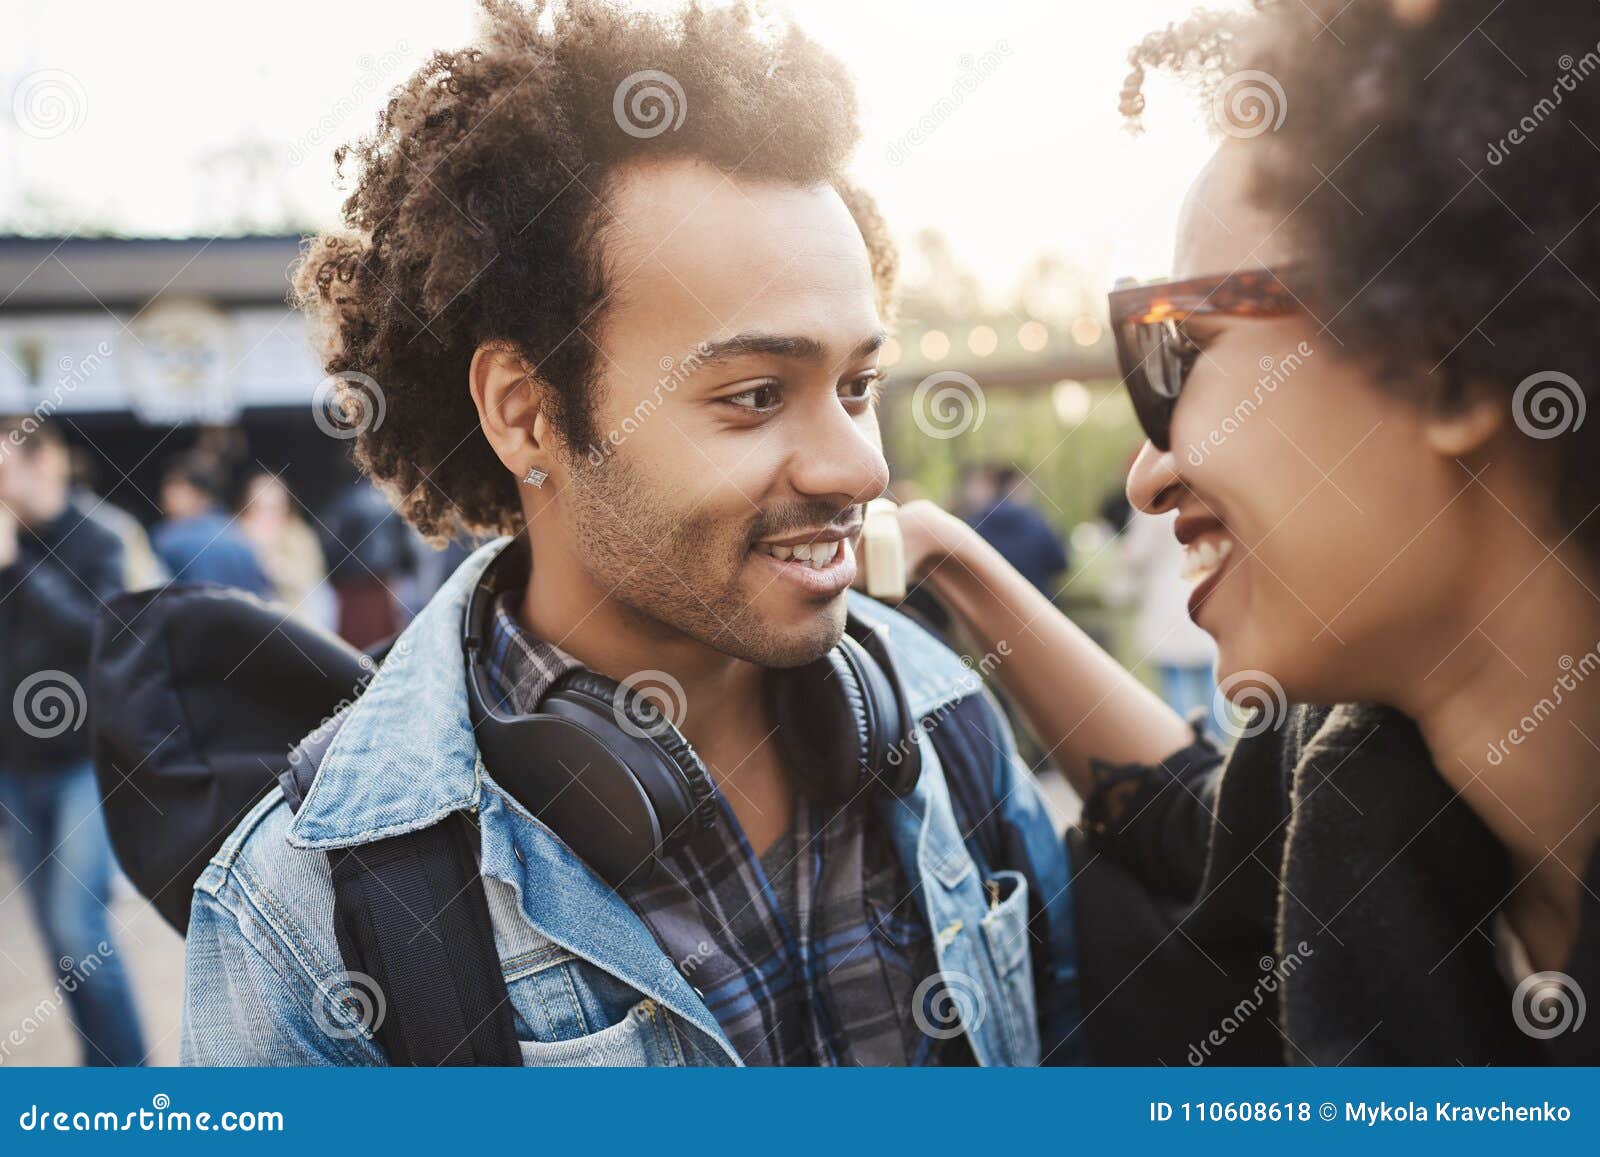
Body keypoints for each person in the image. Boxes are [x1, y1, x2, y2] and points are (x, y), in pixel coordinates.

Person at [180, 0, 1079, 1068]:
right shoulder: (304, 917)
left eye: (858, 383)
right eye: (753, 393)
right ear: (527, 413)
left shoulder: (941, 714)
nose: (860, 467)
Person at [879, 0, 1600, 1065]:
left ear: (1440, 353)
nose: (1146, 473)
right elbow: (1199, 841)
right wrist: (945, 552)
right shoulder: (1354, 768)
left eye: (1178, 351)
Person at [0, 419, 147, 1066]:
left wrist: (16, 569)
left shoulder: (98, 536)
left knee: (77, 927)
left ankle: (133, 1075)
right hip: (17, 770)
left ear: (45, 464)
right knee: (56, 946)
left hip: (85, 763)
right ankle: (99, 1071)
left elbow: (99, 635)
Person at [150, 453, 272, 597]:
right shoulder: (241, 532)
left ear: (199, 494)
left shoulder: (168, 538)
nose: (165, 495)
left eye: (173, 487)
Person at [238, 470, 335, 630]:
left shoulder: (299, 536)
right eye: (259, 506)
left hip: (292, 624)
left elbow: (310, 581)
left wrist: (272, 561)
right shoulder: (235, 534)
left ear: (286, 507)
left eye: (274, 507)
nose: (267, 514)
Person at [965, 465, 1069, 596]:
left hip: (985, 607)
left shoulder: (972, 525)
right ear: (1014, 485)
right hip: (1034, 604)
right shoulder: (1038, 524)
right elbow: (1060, 564)